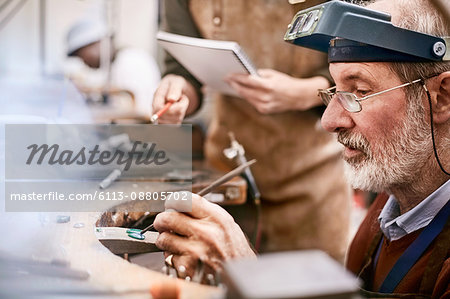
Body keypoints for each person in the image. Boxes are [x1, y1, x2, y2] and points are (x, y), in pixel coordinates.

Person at [152, 0, 450, 297]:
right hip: (233, 178)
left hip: (310, 190)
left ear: (442, 97)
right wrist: (178, 87)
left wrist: (249, 273)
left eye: (360, 92)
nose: (329, 120)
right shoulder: (380, 222)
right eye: (332, 91)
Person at [153, 0, 351, 261]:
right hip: (228, 186)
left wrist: (306, 93)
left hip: (313, 190)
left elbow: (361, 67)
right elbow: (183, 71)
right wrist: (176, 90)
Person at [66, 15, 160, 117]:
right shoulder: (114, 64)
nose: (83, 61)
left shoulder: (132, 61)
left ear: (96, 43)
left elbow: (141, 113)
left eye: (82, 54)